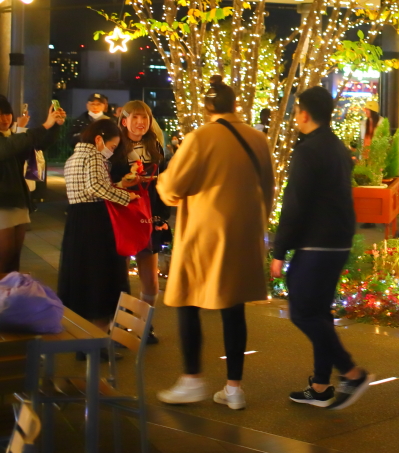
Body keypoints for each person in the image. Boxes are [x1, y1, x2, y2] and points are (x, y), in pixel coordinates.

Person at [157, 76, 275, 411]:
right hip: (244, 235)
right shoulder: (258, 138)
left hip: (203, 236)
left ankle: (192, 379)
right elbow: (268, 189)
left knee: (187, 301)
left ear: (207, 107)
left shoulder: (199, 138)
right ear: (234, 103)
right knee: (233, 309)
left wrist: (163, 179)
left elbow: (173, 188)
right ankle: (233, 388)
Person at [270, 87, 372, 410]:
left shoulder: (308, 150)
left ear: (304, 114)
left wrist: (279, 250)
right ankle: (320, 384)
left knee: (302, 312)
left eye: (297, 110)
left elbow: (295, 203)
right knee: (319, 313)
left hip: (315, 243)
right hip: (338, 241)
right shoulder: (340, 149)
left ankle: (352, 372)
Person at [58, 118, 138, 332]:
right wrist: (125, 196)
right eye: (111, 146)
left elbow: (90, 186)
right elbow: (95, 187)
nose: (111, 152)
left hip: (76, 220)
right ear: (98, 139)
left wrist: (119, 185)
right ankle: (99, 340)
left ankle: (82, 338)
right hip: (94, 222)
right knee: (100, 278)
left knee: (81, 277)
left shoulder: (75, 156)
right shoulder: (93, 155)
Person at [109, 101, 170, 343]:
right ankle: (117, 324)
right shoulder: (114, 146)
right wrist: (124, 182)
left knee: (150, 280)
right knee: (119, 275)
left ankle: (143, 325)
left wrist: (161, 216)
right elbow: (106, 179)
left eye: (144, 117)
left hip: (149, 214)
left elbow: (163, 182)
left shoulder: (155, 146)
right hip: (122, 213)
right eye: (135, 118)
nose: (140, 123)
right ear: (124, 121)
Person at [0, 98, 62, 272]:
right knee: (3, 257)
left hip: (18, 201)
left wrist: (55, 125)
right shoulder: (9, 141)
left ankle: (13, 295)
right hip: (2, 205)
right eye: (0, 115)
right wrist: (45, 126)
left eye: (7, 114)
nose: (5, 119)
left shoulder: (11, 137)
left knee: (14, 257)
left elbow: (39, 144)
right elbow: (11, 146)